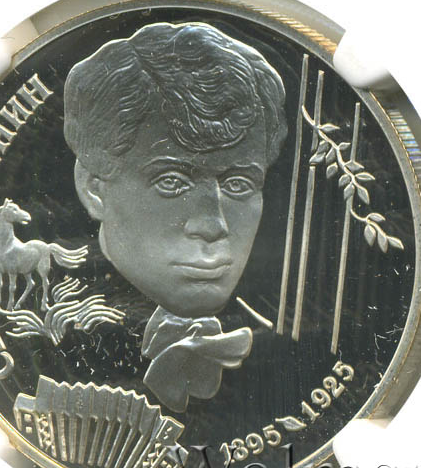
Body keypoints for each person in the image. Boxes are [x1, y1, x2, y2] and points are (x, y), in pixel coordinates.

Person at [64, 22, 287, 411]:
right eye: (172, 181)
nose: (213, 226)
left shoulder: (298, 347)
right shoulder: (59, 335)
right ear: (94, 188)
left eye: (238, 184)